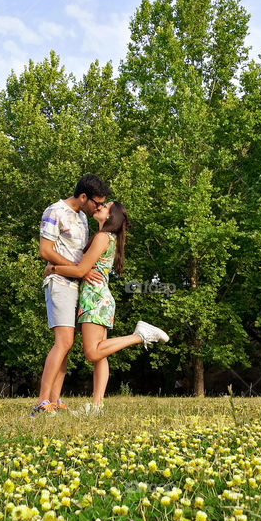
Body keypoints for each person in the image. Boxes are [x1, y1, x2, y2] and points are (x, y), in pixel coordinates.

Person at [45, 201, 169, 415]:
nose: (100, 206)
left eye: (105, 206)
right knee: (101, 353)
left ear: (112, 216)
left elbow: (82, 269)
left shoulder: (103, 237)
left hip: (93, 297)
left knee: (92, 353)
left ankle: (139, 335)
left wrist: (53, 267)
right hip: (102, 297)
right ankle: (97, 406)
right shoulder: (109, 238)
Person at [33, 174, 110, 416]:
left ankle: (54, 400)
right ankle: (42, 401)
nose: (99, 208)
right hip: (60, 281)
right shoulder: (55, 210)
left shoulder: (82, 218)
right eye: (97, 203)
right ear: (83, 197)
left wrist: (84, 272)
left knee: (67, 345)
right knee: (63, 342)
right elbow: (44, 250)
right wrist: (78, 271)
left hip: (77, 283)